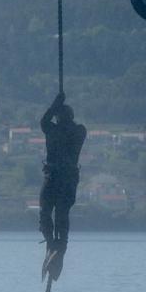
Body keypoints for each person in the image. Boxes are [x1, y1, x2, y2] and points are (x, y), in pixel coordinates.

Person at [38, 93, 87, 280]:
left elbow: (44, 121)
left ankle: (53, 246)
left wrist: (55, 104)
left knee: (47, 213)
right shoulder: (79, 131)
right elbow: (47, 122)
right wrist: (58, 107)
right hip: (67, 179)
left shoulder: (53, 130)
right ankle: (56, 247)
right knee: (60, 215)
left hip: (54, 178)